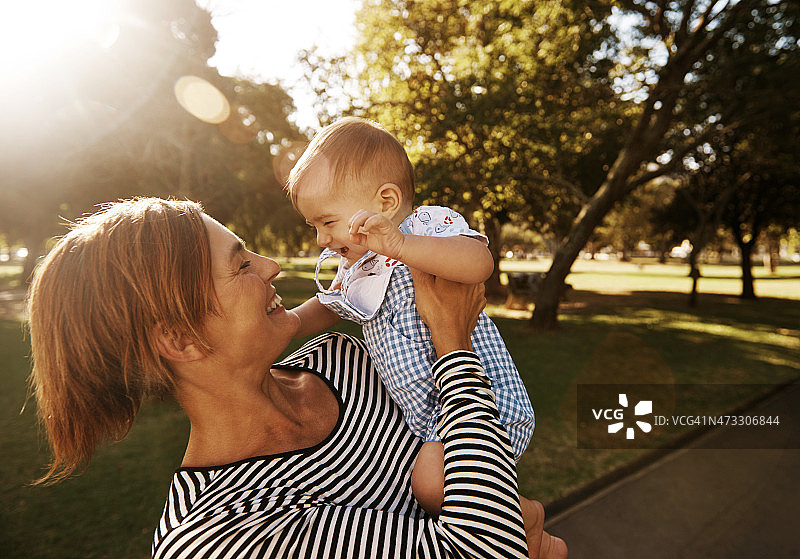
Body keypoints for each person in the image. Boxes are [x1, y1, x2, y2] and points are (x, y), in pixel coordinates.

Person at [26, 198, 566, 558]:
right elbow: (484, 549)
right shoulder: (222, 534)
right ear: (182, 340)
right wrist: (452, 341)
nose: (271, 266)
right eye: (241, 265)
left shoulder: (342, 359)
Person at [284, 117, 542, 511]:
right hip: (425, 418)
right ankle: (515, 525)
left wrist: (402, 245)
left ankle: (520, 520)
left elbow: (478, 263)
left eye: (328, 222)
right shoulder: (355, 265)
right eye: (313, 225)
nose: (321, 239)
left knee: (430, 489)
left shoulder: (427, 226)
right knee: (417, 493)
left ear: (385, 202)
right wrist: (290, 323)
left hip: (483, 399)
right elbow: (330, 305)